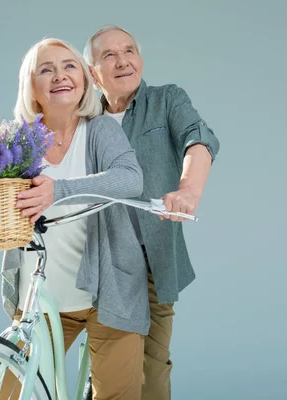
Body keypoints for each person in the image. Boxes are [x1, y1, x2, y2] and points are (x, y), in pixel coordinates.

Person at [0, 37, 150, 400]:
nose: (59, 75)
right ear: (32, 86)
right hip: (42, 299)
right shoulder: (18, 141)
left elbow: (132, 178)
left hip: (108, 295)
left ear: (83, 79)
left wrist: (59, 189)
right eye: (46, 69)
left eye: (69, 66)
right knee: (8, 393)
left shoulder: (100, 130)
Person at [83, 25, 221, 400]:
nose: (122, 60)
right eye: (108, 55)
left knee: (151, 369)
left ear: (141, 59)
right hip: (92, 259)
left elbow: (199, 138)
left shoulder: (166, 100)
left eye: (129, 50)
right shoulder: (83, 119)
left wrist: (188, 189)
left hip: (150, 262)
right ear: (93, 73)